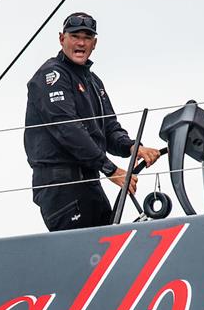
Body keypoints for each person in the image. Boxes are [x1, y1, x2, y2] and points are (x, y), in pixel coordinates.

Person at [24, 12, 163, 231]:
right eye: (75, 36)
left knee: (107, 247)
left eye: (87, 38)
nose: (81, 43)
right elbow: (67, 129)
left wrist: (133, 147)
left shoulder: (93, 81)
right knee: (82, 257)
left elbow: (109, 128)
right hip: (61, 186)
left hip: (89, 183)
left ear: (94, 43)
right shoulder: (51, 76)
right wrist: (111, 170)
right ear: (62, 39)